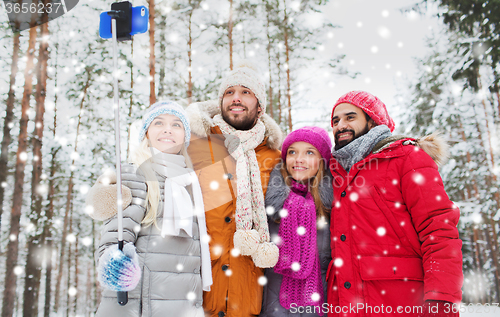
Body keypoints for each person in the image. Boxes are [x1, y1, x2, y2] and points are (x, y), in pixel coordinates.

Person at [326, 91, 463, 317]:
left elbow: (438, 230)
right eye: (335, 120)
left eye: (350, 117)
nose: (341, 125)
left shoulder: (407, 158)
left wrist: (441, 300)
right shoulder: (335, 172)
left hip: (402, 302)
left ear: (372, 120)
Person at [86, 100, 212, 316]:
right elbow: (116, 236)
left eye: (176, 125)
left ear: (185, 137)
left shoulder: (191, 184)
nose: (167, 129)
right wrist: (116, 262)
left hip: (183, 305)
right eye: (158, 123)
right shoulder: (134, 175)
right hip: (140, 306)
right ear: (146, 133)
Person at [185, 60, 283, 317]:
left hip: (248, 292)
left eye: (245, 92)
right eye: (229, 92)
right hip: (199, 292)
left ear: (259, 106)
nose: (236, 98)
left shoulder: (275, 156)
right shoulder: (194, 144)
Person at [259, 126, 334, 317]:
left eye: (309, 152)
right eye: (292, 152)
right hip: (274, 306)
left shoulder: (332, 208)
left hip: (319, 306)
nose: (298, 159)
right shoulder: (271, 205)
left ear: (322, 161)